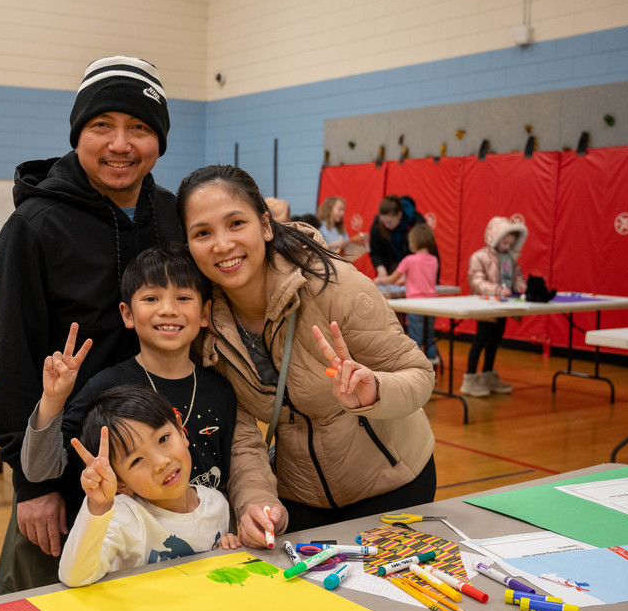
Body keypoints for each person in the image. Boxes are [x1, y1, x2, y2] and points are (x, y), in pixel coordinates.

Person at [0, 55, 181, 595]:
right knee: (61, 603)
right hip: (70, 462)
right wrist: (32, 485)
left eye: (139, 128)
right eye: (102, 126)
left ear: (158, 141)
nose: (120, 144)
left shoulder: (172, 215)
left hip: (167, 456)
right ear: (78, 134)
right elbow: (14, 358)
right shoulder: (32, 228)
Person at [177, 165, 436, 548]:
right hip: (300, 497)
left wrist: (375, 390)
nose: (221, 244)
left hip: (394, 483)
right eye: (203, 233)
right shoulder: (202, 324)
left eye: (235, 223)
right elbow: (243, 436)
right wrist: (257, 502)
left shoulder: (334, 286)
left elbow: (418, 374)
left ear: (265, 226)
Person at [20, 242, 236, 498]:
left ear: (204, 313)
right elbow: (39, 470)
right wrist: (53, 399)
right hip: (129, 535)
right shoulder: (105, 388)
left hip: (210, 532)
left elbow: (229, 479)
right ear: (128, 314)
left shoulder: (221, 390)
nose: (168, 309)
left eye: (183, 298)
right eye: (151, 298)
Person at [59, 385, 240, 587]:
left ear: (181, 432)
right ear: (121, 483)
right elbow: (75, 577)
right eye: (136, 461)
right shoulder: (125, 517)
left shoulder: (217, 504)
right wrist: (98, 504)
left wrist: (229, 550)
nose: (161, 462)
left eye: (163, 439)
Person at [460, 216, 528, 398]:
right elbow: (476, 280)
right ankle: (470, 378)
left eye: (509, 243)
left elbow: (516, 276)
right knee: (480, 340)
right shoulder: (479, 257)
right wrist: (497, 289)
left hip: (503, 306)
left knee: (495, 341)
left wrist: (520, 285)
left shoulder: (510, 258)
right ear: (494, 238)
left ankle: (488, 375)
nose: (506, 246)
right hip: (486, 306)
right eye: (504, 242)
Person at [377, 223, 440, 366]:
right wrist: (407, 279)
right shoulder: (434, 260)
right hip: (433, 305)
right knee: (429, 336)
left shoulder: (409, 260)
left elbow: (392, 279)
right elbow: (423, 276)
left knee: (416, 337)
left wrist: (379, 280)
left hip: (415, 305)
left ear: (414, 242)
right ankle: (432, 367)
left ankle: (416, 367)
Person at [369, 195, 436, 282]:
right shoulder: (377, 225)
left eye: (389, 222)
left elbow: (425, 247)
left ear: (399, 215)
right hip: (394, 265)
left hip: (416, 266)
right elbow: (376, 252)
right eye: (383, 222)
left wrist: (407, 273)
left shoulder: (416, 222)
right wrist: (380, 268)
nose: (386, 226)